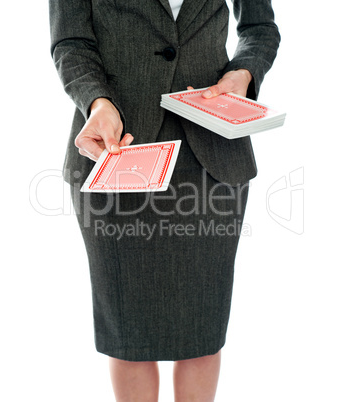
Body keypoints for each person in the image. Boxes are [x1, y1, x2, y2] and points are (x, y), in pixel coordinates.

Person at [49, 0, 280, 400]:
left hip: (211, 159)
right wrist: (96, 101)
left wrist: (242, 73)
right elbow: (70, 40)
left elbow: (259, 28)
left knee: (201, 332)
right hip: (117, 149)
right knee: (130, 334)